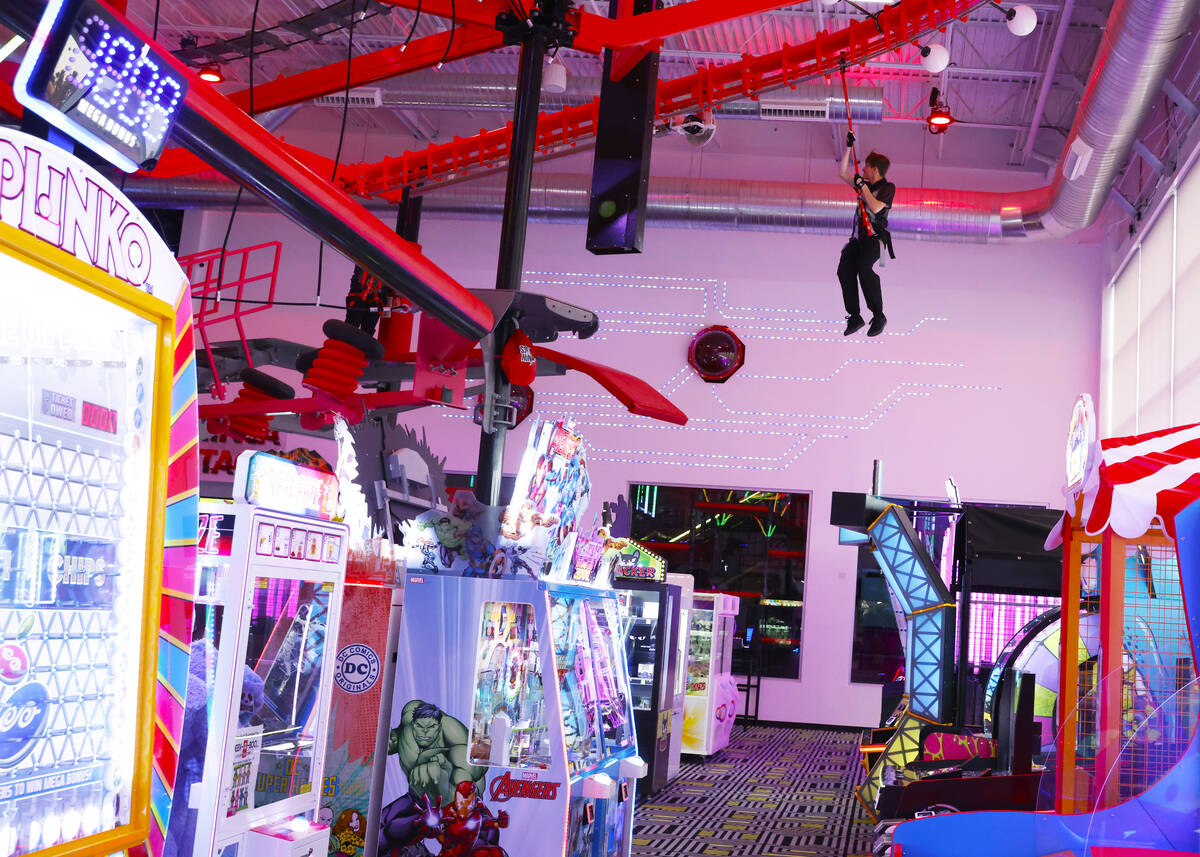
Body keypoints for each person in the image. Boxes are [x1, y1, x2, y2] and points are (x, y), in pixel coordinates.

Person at [837, 132, 896, 337]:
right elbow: (843, 172)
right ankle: (855, 316)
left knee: (864, 268)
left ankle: (879, 315)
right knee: (844, 271)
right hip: (857, 240)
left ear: (874, 169)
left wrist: (863, 187)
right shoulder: (864, 184)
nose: (863, 169)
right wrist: (848, 148)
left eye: (866, 167)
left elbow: (877, 207)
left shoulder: (888, 188)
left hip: (874, 240)